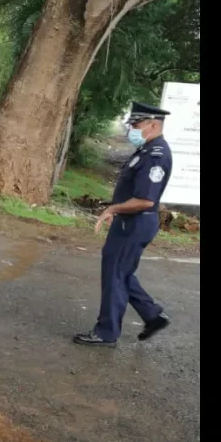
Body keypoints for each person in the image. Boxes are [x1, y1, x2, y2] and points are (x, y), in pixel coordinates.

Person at [74, 102, 174, 348]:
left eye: (137, 125)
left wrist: (113, 208)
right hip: (130, 223)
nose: (132, 129)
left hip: (135, 223)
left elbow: (145, 199)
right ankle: (153, 315)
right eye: (131, 124)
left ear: (153, 124)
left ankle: (107, 332)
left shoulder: (156, 155)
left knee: (114, 274)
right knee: (120, 272)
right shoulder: (147, 149)